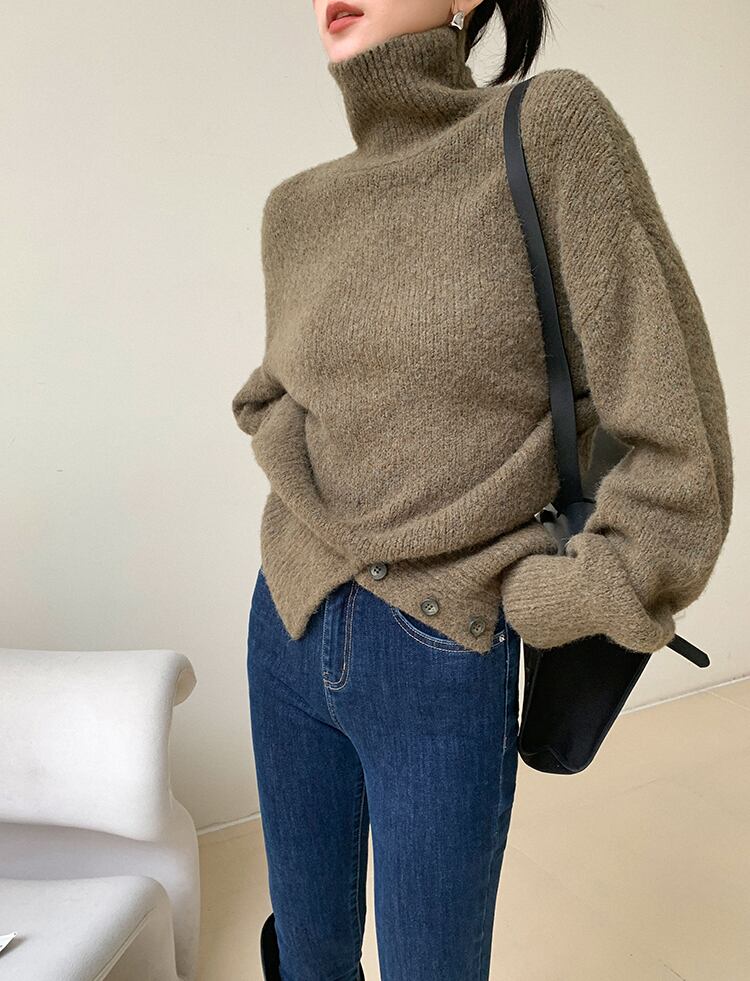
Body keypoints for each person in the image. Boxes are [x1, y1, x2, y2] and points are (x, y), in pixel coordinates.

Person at [231, 2, 733, 979]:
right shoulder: (294, 209)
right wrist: (314, 493)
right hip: (283, 622)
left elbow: (681, 455)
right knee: (306, 952)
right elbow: (271, 397)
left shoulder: (548, 129)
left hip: (438, 653)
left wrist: (556, 594)